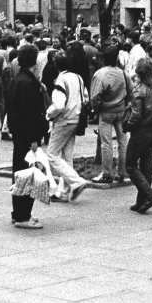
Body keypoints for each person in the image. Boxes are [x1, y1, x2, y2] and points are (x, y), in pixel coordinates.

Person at [6, 44, 48, 229]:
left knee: (20, 171)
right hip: (27, 134)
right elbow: (29, 114)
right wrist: (34, 138)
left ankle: (19, 213)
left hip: (18, 133)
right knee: (28, 172)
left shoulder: (17, 79)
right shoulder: (28, 83)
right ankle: (23, 215)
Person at [45, 54, 89, 202]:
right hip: (76, 119)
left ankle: (76, 181)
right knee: (67, 156)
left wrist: (49, 113)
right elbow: (85, 97)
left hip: (63, 120)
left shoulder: (60, 80)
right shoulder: (78, 77)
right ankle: (63, 191)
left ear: (56, 66)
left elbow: (58, 105)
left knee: (52, 155)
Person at [124, 57, 152, 214]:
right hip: (151, 130)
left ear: (139, 72)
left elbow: (136, 114)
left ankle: (149, 195)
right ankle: (141, 200)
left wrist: (128, 126)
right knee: (146, 167)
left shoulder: (139, 90)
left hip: (139, 132)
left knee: (130, 164)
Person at [90, 45, 132, 184]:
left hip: (106, 111)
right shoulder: (123, 73)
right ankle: (122, 171)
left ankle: (107, 172)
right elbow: (131, 92)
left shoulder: (100, 74)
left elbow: (95, 96)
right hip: (121, 110)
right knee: (122, 142)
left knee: (106, 143)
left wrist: (96, 109)